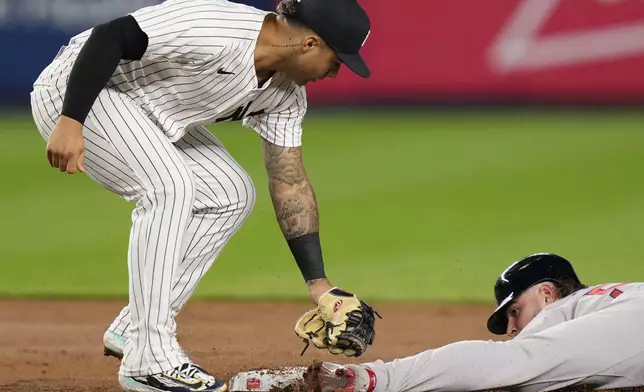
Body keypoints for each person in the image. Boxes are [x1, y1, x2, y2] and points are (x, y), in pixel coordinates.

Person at [29, 0, 378, 391]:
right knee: (168, 186)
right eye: (337, 60)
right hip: (80, 91)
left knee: (231, 193)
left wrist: (318, 284)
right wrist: (71, 120)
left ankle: (136, 328)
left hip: (144, 111)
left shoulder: (285, 94)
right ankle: (150, 360)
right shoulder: (218, 29)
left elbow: (289, 180)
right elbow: (110, 35)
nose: (334, 73)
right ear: (310, 44)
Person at [307, 253, 644, 392]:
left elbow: (507, 365)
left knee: (518, 363)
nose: (512, 327)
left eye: (515, 311)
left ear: (546, 294)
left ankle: (371, 378)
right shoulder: (606, 301)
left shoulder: (559, 310)